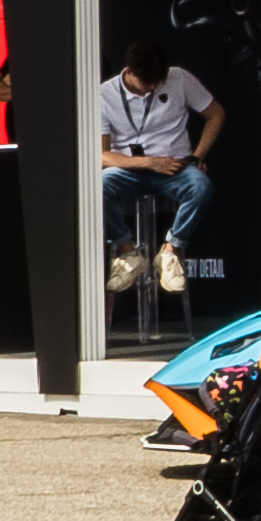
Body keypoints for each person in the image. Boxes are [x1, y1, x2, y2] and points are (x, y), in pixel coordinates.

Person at [97, 35, 220, 331]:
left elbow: (216, 114)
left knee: (201, 186)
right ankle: (128, 253)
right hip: (129, 168)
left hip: (175, 167)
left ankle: (170, 252)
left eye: (158, 81)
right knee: (99, 186)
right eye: (147, 83)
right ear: (129, 72)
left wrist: (198, 155)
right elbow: (102, 155)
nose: (153, 87)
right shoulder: (104, 94)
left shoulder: (178, 78)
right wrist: (149, 162)